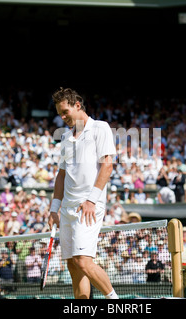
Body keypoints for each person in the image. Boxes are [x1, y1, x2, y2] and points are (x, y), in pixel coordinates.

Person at [47, 87, 118, 299]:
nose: (62, 117)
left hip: (88, 206)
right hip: (67, 208)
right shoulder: (66, 137)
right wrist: (54, 209)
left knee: (83, 261)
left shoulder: (100, 128)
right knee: (73, 264)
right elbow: (61, 175)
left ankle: (115, 301)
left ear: (77, 106)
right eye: (60, 113)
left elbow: (107, 165)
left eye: (65, 111)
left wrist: (91, 200)